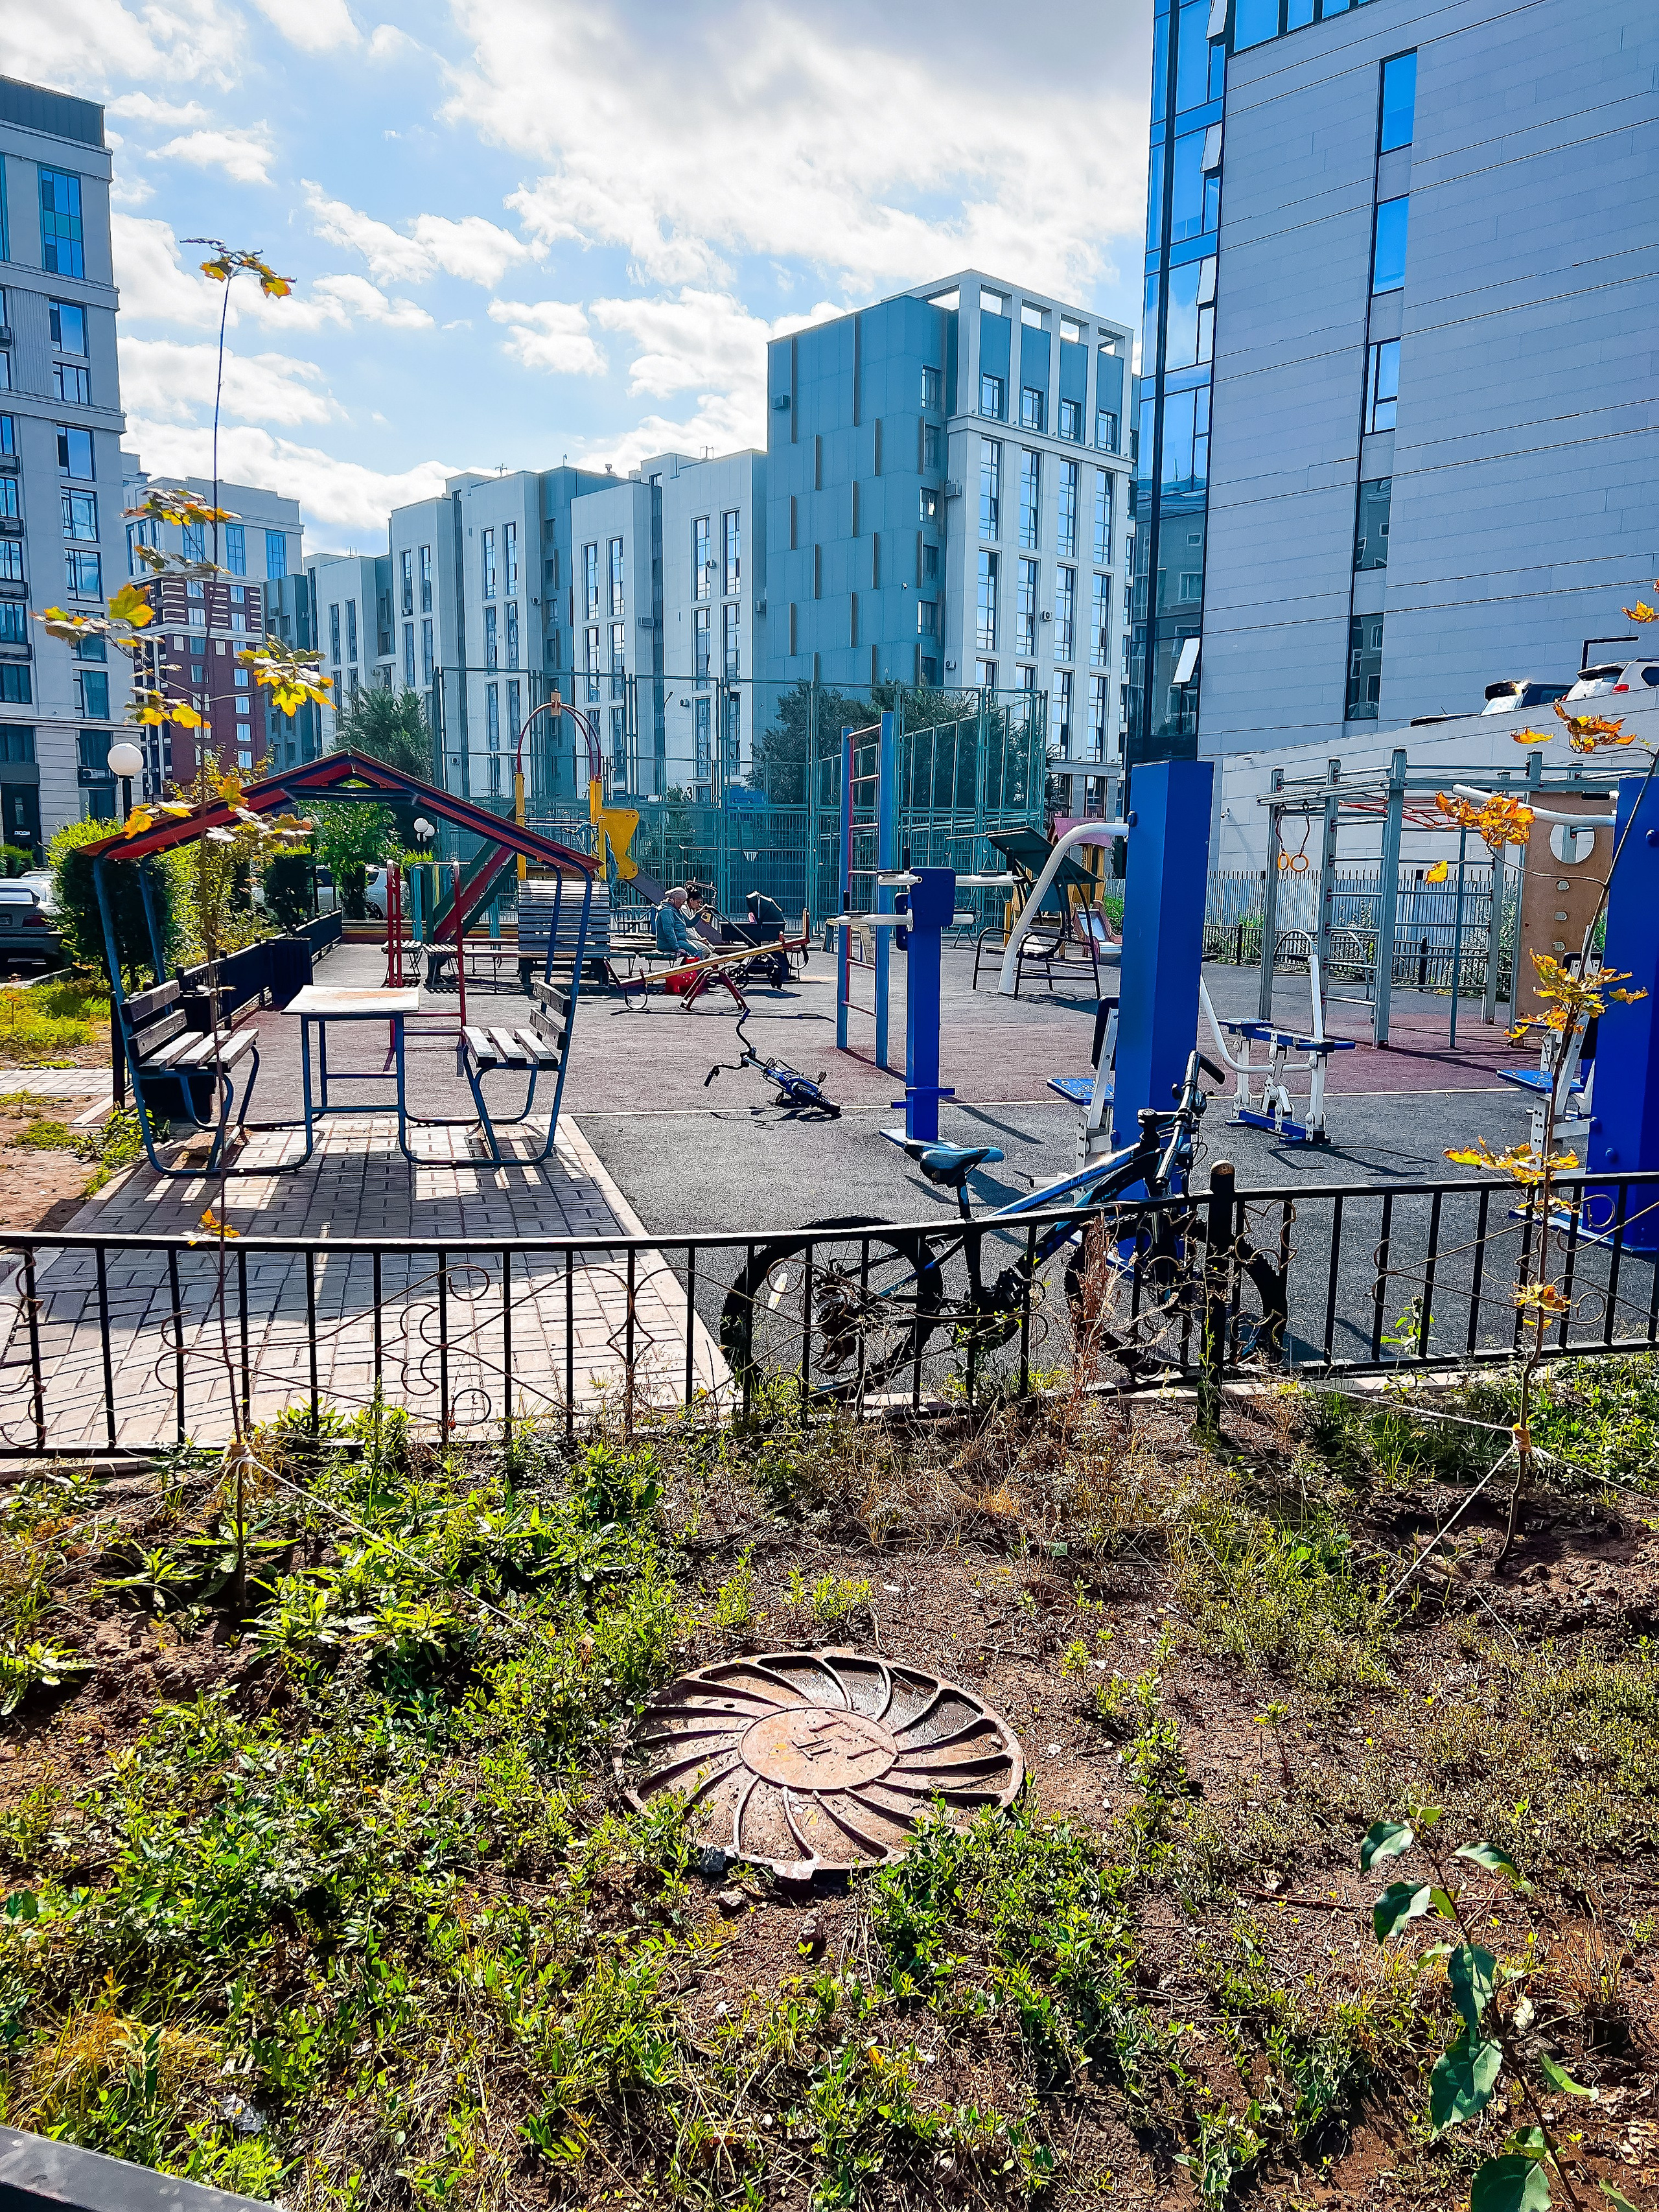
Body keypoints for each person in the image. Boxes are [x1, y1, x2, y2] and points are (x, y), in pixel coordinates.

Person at [654, 886, 701, 960]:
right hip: (667, 943)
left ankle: (688, 970)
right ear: (676, 900)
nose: (682, 905)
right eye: (681, 902)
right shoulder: (667, 911)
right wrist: (677, 948)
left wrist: (699, 913)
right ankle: (690, 970)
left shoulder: (677, 910)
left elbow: (689, 924)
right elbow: (669, 932)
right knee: (695, 952)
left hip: (680, 941)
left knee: (698, 950)